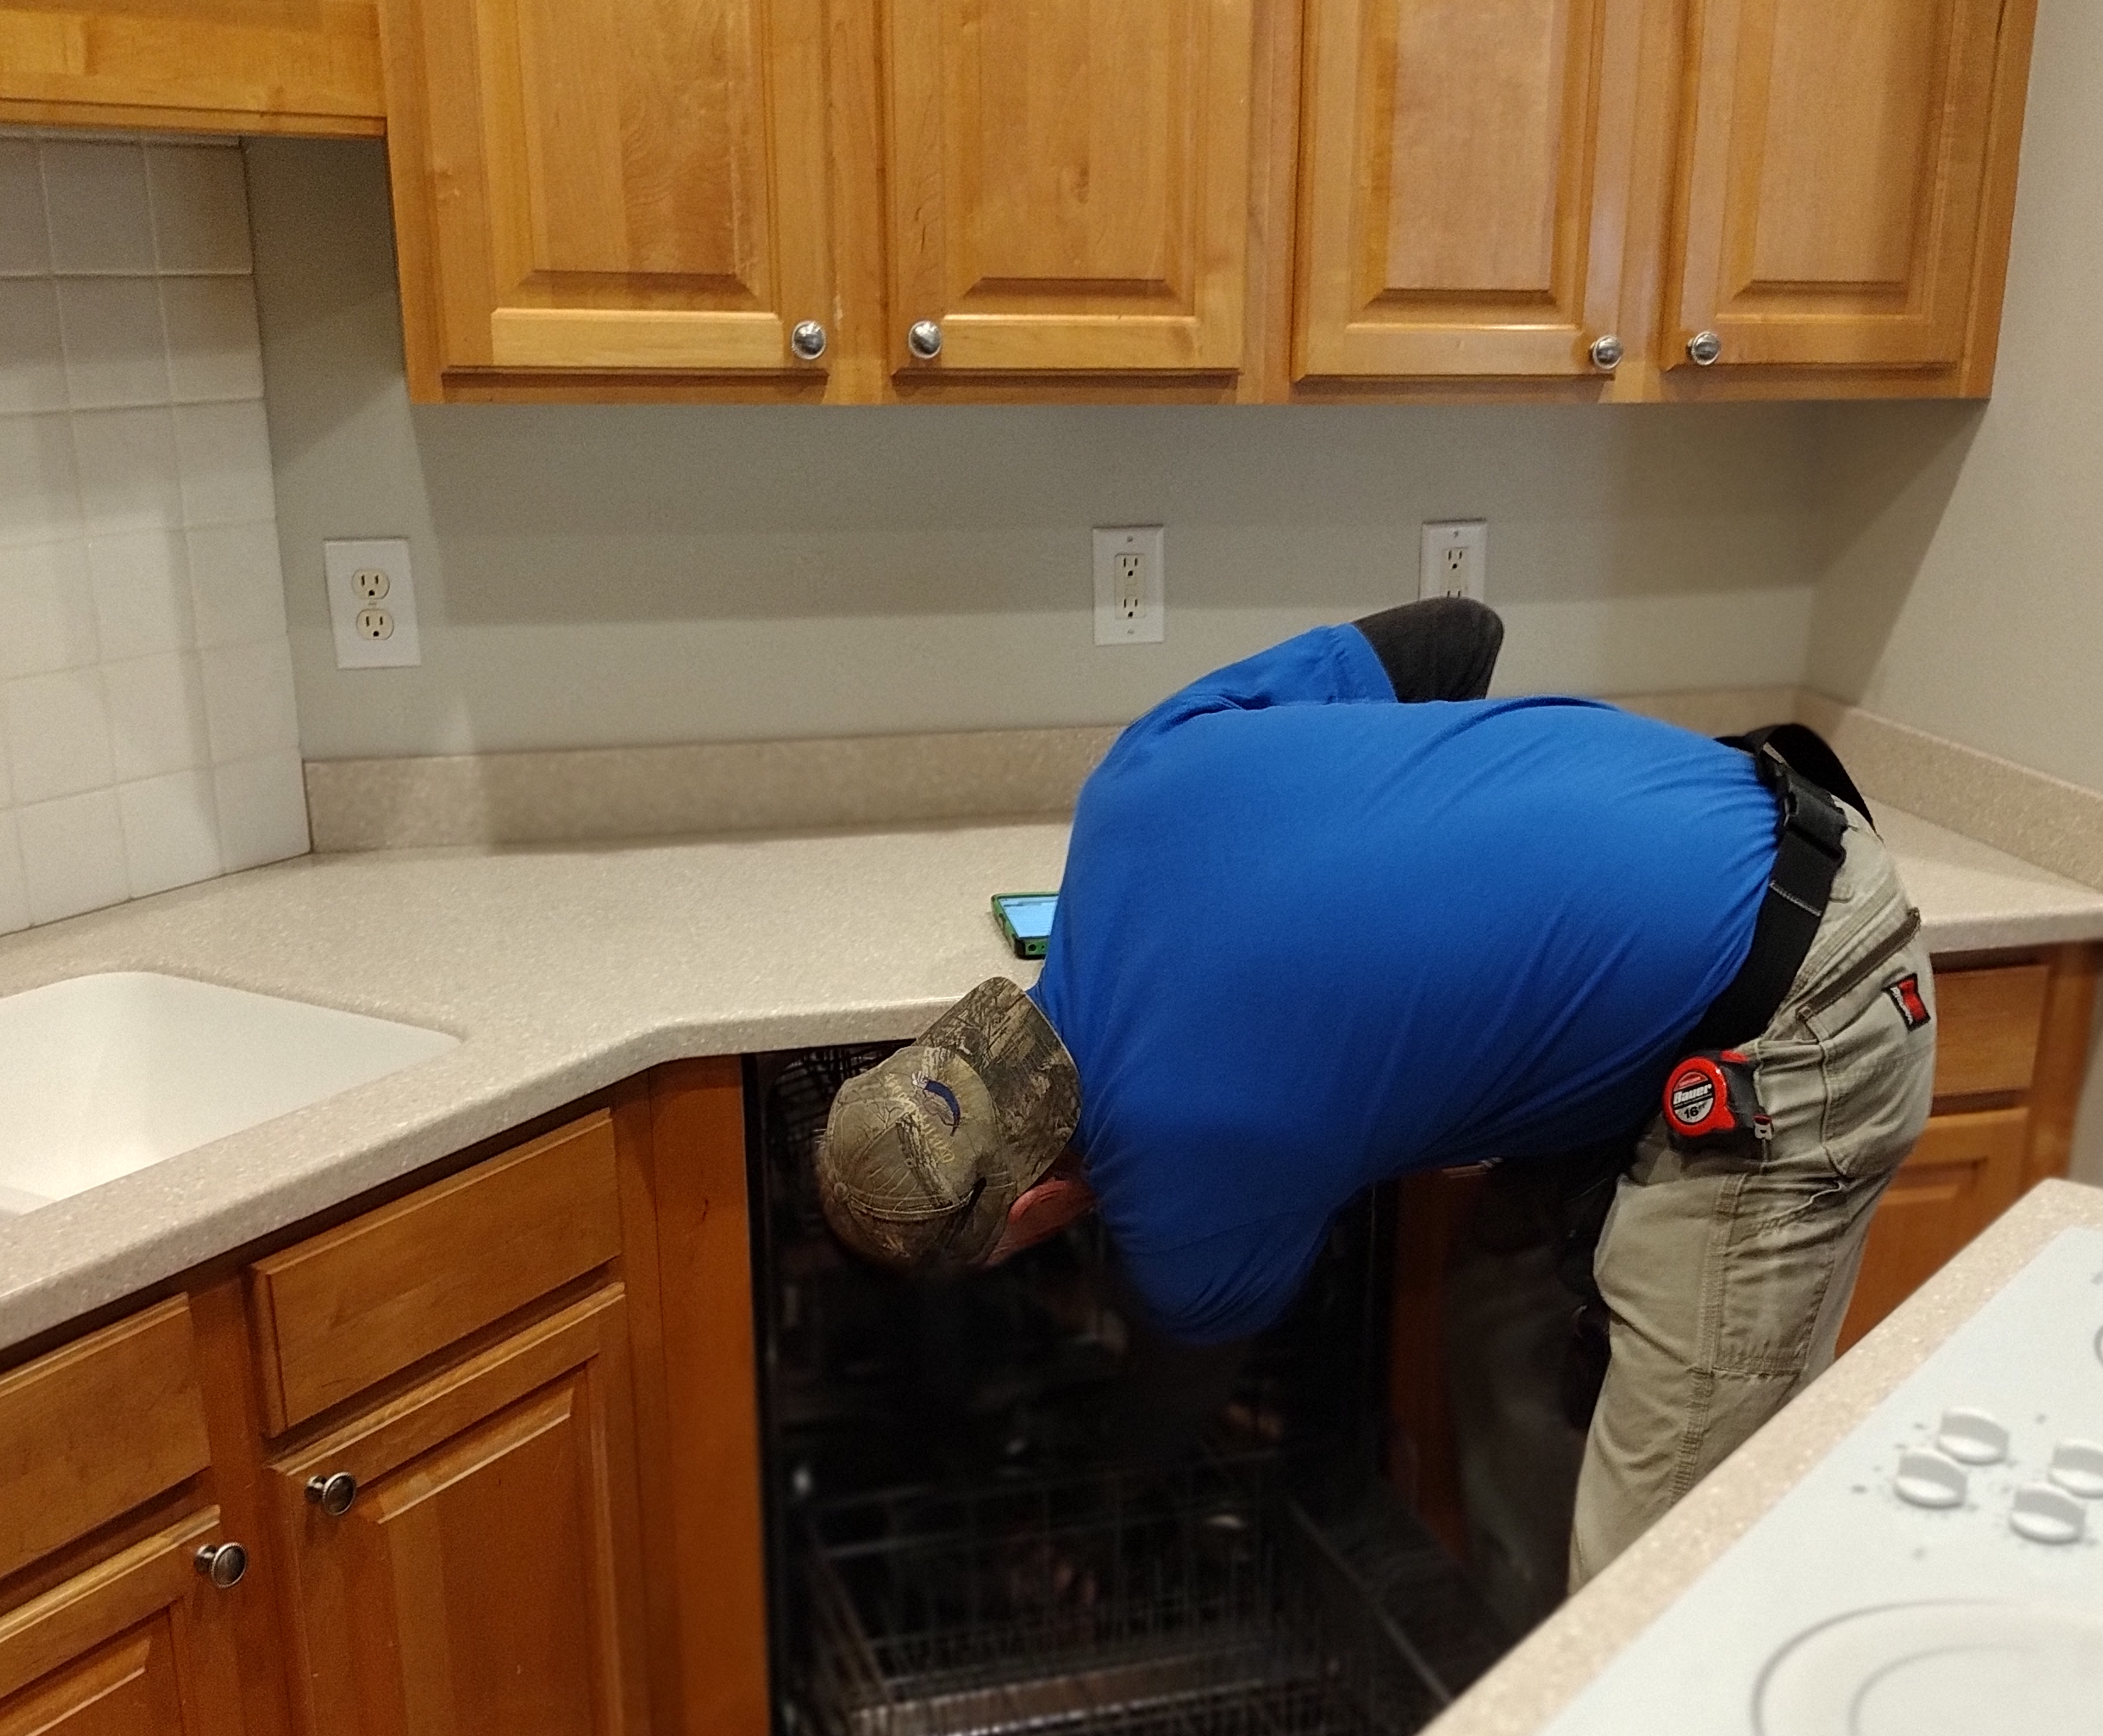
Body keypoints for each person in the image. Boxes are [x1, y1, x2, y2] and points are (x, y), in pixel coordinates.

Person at [815, 601, 1937, 1600]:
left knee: (1656, 1584)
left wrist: (1102, 1495)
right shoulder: (1130, 788)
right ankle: (1524, 1684)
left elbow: (1187, 1369)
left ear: (1023, 1215)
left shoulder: (1186, 1156)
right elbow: (1456, 635)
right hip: (1740, 826)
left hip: (1803, 1010)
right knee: (1501, 1319)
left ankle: (1619, 1726)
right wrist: (1444, 866)